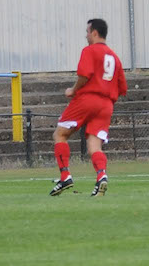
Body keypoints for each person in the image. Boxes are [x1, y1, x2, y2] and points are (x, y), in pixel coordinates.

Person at [50, 19, 127, 197]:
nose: (86, 35)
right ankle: (101, 176)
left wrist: (73, 90)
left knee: (60, 134)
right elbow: (122, 87)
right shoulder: (114, 57)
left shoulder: (89, 50)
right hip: (107, 104)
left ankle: (65, 176)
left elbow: (84, 75)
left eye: (87, 31)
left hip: (88, 98)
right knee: (94, 144)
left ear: (94, 33)